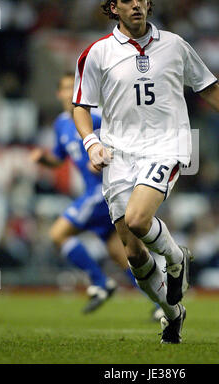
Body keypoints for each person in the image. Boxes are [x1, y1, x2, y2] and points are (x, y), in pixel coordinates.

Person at [72, 0, 219, 343]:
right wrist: (91, 143)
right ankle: (172, 311)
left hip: (167, 144)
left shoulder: (175, 45)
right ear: (113, 8)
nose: (136, 5)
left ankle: (177, 260)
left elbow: (206, 85)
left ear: (148, 1)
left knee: (139, 219)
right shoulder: (97, 53)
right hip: (118, 153)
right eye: (127, 0)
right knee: (133, 252)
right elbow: (80, 105)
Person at [31, 72, 163, 319]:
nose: (71, 94)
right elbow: (60, 157)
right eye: (66, 89)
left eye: (75, 88)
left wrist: (105, 156)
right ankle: (160, 303)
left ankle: (100, 282)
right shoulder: (61, 124)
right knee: (125, 256)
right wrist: (43, 160)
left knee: (58, 233)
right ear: (59, 94)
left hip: (104, 191)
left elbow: (125, 143)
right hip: (97, 195)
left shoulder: (98, 117)